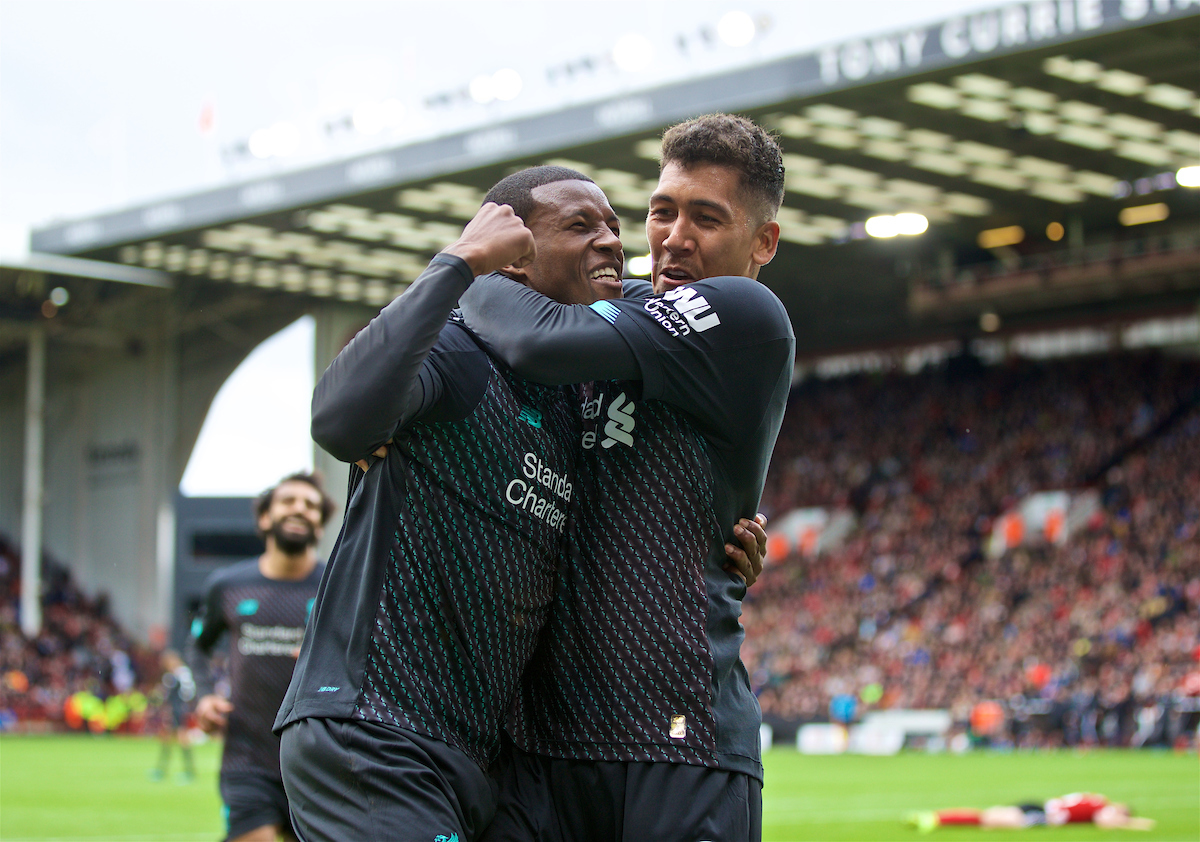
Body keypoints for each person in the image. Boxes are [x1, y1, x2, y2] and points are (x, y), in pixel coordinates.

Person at [274, 167, 766, 842]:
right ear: (512, 249)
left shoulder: (571, 395)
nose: (612, 243)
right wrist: (457, 265)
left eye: (614, 228)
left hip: (481, 757)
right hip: (375, 724)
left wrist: (711, 531)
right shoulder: (456, 350)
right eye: (579, 226)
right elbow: (337, 421)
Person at [460, 113, 794, 839]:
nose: (674, 237)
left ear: (763, 241)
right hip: (541, 749)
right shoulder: (612, 314)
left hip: (677, 741)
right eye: (662, 211)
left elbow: (528, 336)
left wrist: (470, 265)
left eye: (706, 218)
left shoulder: (746, 316)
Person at [190, 472, 334, 842]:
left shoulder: (339, 588)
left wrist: (328, 657)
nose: (299, 509)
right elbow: (198, 647)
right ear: (265, 518)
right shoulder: (228, 585)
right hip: (247, 757)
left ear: (321, 522)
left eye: (311, 505)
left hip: (323, 760)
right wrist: (205, 695)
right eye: (288, 501)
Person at [907, 792, 1156, 832]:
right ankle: (935, 819)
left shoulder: (1098, 798)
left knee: (988, 817)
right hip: (1042, 815)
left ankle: (936, 816)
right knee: (988, 819)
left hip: (1041, 805)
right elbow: (1104, 823)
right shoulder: (1105, 807)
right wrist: (1135, 823)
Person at [149, 649, 196, 783]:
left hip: (179, 710)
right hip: (173, 710)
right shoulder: (170, 676)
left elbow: (188, 693)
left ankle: (188, 771)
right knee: (167, 740)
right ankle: (161, 769)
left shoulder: (182, 673)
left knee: (182, 740)